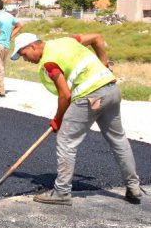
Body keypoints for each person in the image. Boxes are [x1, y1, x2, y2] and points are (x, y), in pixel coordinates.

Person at [10, 32, 143, 205]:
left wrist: (58, 119)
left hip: (91, 97)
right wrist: (104, 63)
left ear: (32, 46)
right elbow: (97, 37)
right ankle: (133, 186)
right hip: (111, 90)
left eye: (23, 54)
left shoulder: (50, 62)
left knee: (66, 140)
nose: (25, 59)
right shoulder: (67, 41)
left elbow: (65, 95)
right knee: (118, 139)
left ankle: (62, 192)